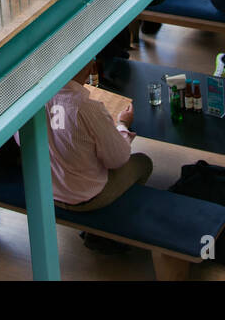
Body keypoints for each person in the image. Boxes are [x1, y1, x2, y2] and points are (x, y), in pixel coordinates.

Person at [43, 60, 151, 212]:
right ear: (90, 68)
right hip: (86, 197)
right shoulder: (87, 108)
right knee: (144, 163)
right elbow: (118, 160)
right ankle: (118, 216)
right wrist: (122, 125)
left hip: (47, 191)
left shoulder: (37, 101)